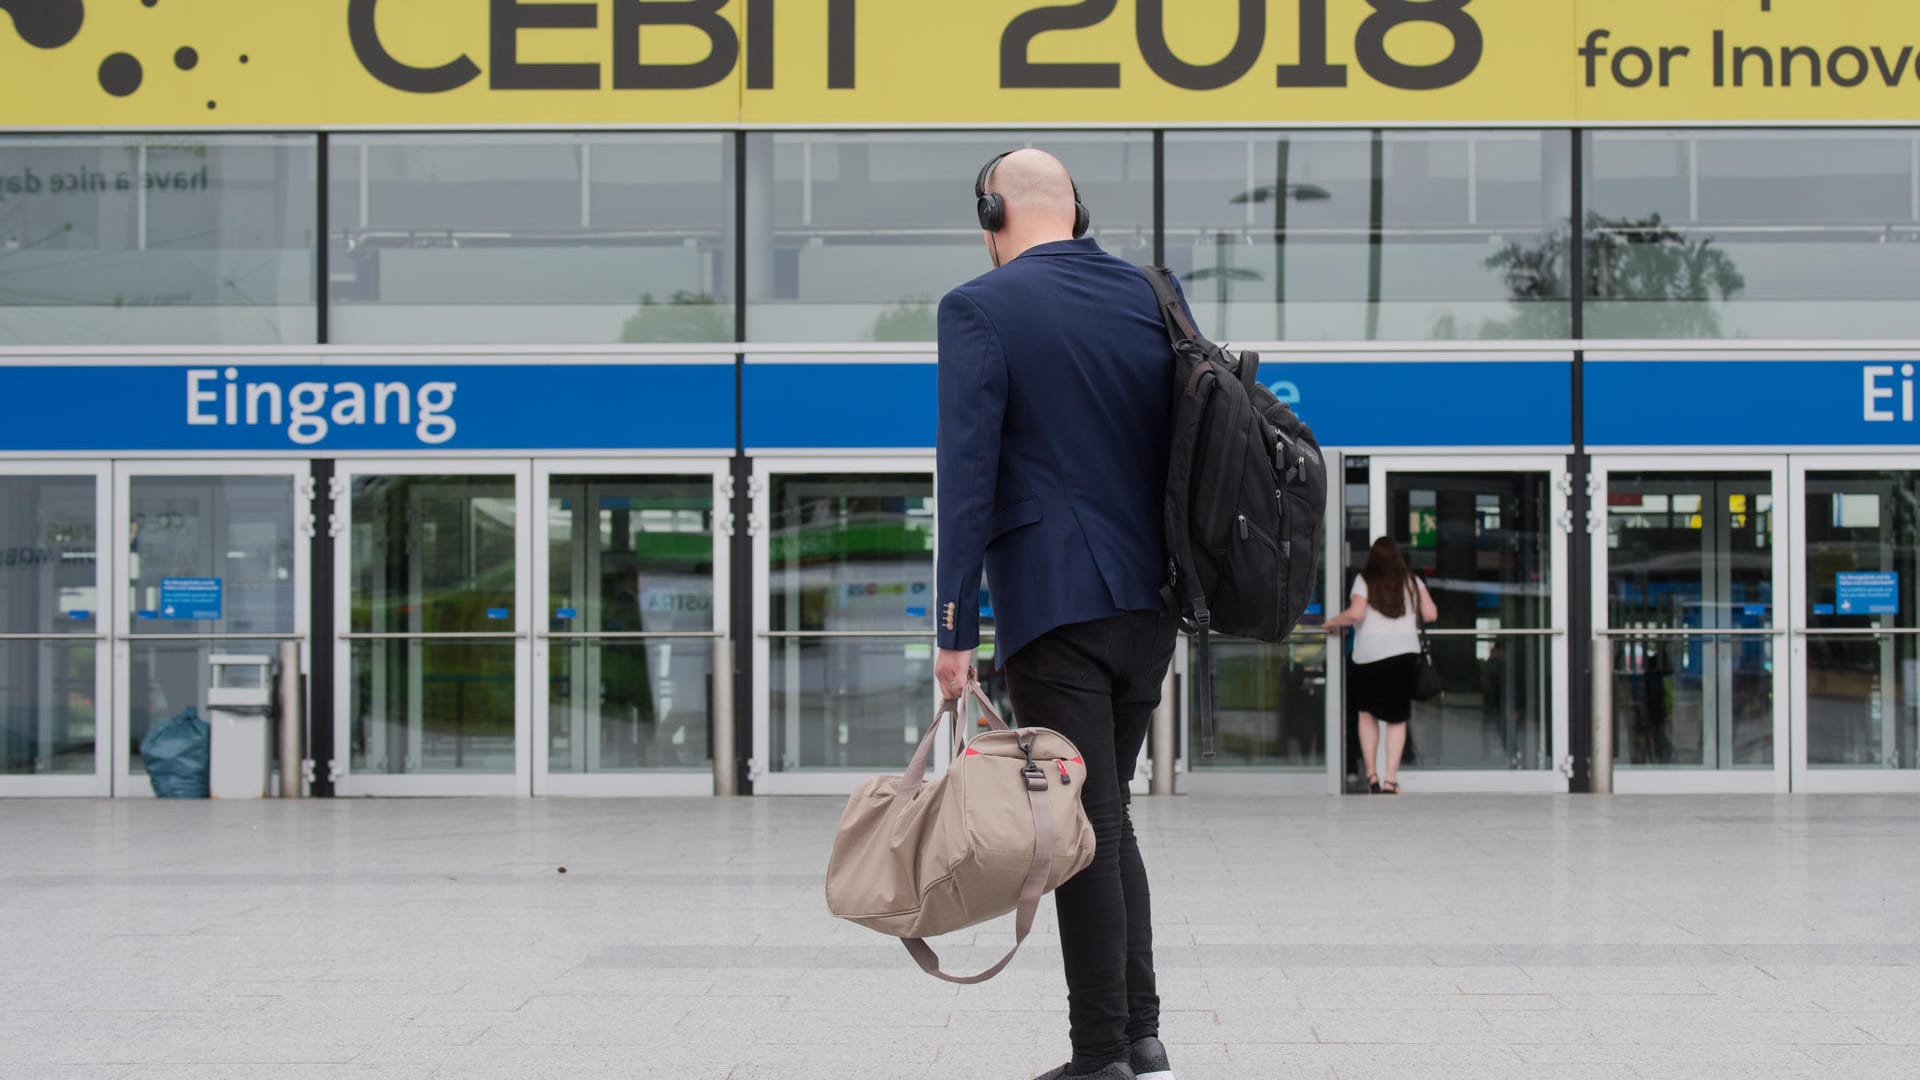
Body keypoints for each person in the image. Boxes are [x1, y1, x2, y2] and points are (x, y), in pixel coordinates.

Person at [933, 147, 1181, 1080]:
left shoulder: (979, 307)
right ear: (1077, 210)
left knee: (1082, 827)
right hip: (1149, 605)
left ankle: (1099, 1054)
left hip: (1054, 603)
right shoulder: (1152, 297)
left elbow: (966, 479)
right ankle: (1141, 1034)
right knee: (1108, 817)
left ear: (992, 211)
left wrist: (955, 629)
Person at [1323, 537, 1439, 794]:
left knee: (1367, 714)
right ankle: (1390, 780)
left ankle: (1371, 776)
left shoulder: (1364, 580)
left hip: (1369, 657)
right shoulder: (1412, 581)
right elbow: (1431, 614)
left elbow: (1355, 614)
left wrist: (1331, 622)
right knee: (1397, 719)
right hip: (1403, 656)